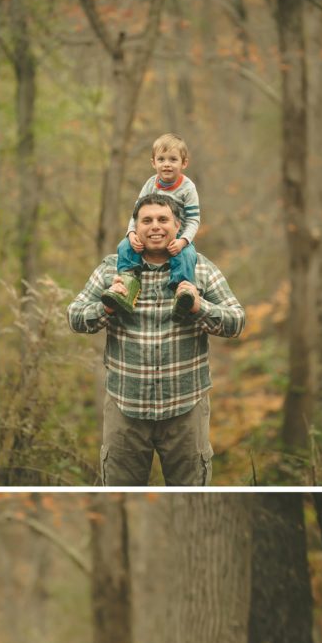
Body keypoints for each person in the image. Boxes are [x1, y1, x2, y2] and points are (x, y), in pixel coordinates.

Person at [68, 192, 246, 486]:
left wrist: (200, 307)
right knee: (119, 493)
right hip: (126, 409)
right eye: (146, 220)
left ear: (178, 227)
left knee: (190, 493)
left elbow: (236, 322)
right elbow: (74, 317)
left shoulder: (200, 268)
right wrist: (107, 307)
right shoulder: (113, 269)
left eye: (163, 219)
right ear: (134, 228)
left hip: (185, 410)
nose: (155, 226)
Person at [101, 133, 202, 322]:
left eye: (173, 159)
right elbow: (136, 213)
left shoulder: (188, 188)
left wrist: (182, 241)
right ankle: (128, 285)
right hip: (147, 237)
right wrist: (131, 233)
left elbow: (194, 220)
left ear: (184, 163)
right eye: (161, 159)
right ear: (153, 162)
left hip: (179, 237)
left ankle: (182, 293)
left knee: (187, 256)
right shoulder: (150, 184)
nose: (167, 164)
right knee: (124, 247)